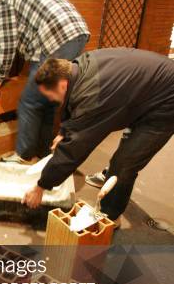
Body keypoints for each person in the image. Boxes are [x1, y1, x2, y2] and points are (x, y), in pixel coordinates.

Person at [22, 48, 174, 222]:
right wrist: (64, 132)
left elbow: (75, 150)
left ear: (62, 84)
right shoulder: (77, 67)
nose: (53, 101)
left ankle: (108, 215)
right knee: (125, 150)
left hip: (166, 102)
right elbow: (73, 103)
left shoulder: (92, 95)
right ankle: (112, 176)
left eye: (52, 96)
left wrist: (41, 186)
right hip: (147, 90)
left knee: (125, 164)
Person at [0, 0, 90, 162]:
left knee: (29, 101)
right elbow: (32, 45)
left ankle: (24, 156)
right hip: (78, 33)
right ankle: (43, 154)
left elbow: (7, 44)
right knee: (48, 99)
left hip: (57, 38)